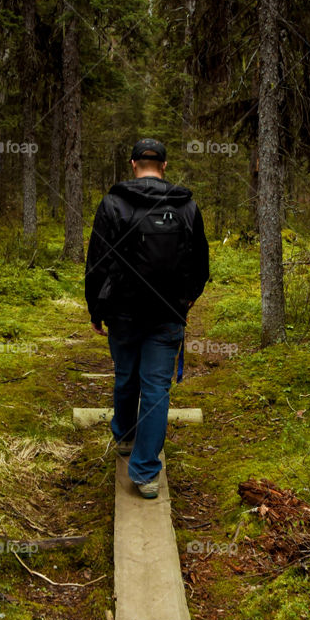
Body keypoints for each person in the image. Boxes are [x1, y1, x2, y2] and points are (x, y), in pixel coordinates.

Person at [84, 138, 210, 498]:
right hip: (168, 313)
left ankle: (125, 436)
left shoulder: (113, 204)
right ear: (164, 166)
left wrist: (96, 310)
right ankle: (145, 473)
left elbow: (97, 262)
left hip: (122, 313)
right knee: (156, 389)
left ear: (133, 164)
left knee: (126, 376)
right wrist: (186, 301)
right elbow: (200, 264)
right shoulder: (186, 206)